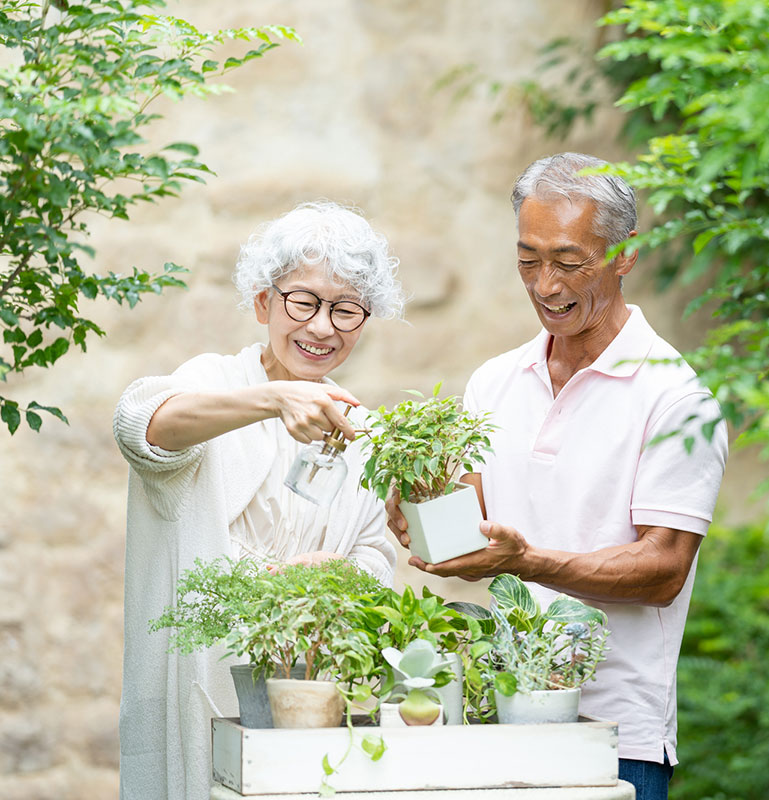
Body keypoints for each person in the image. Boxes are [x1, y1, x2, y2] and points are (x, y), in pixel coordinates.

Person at [386, 153, 728, 800]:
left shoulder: (677, 398)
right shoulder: (494, 381)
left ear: (625, 255)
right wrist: (423, 523)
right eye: (528, 260)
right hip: (504, 714)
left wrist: (530, 562)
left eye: (569, 263)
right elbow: (475, 539)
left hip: (617, 737)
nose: (545, 284)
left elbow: (663, 570)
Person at [112, 201, 402, 800]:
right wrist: (274, 398)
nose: (322, 327)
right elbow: (141, 425)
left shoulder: (360, 430)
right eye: (303, 301)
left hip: (315, 695)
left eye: (345, 309)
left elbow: (376, 556)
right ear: (264, 303)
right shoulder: (216, 382)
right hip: (206, 680)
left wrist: (336, 575)